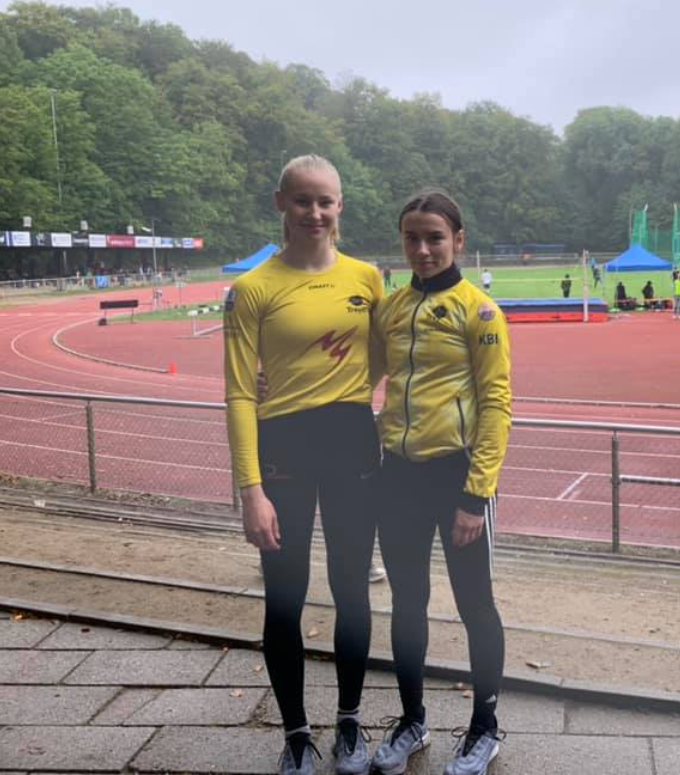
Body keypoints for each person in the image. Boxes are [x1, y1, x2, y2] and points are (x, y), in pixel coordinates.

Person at [224, 154, 381, 775]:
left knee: (352, 591)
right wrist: (249, 489)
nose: (315, 212)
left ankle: (349, 722)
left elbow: (392, 354)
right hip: (283, 450)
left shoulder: (367, 278)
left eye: (325, 201)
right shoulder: (252, 289)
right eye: (302, 200)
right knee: (285, 599)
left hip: (352, 443)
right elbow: (240, 393)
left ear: (340, 205)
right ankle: (295, 734)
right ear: (280, 204)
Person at [370, 190, 512, 775]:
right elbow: (360, 375)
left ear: (458, 239)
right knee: (407, 602)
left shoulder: (480, 312)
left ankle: (485, 727)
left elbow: (497, 404)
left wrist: (476, 494)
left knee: (475, 604)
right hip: (398, 476)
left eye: (434, 237)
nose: (423, 249)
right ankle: (412, 721)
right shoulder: (391, 308)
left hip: (459, 477)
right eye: (412, 238)